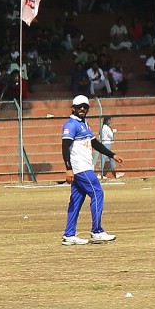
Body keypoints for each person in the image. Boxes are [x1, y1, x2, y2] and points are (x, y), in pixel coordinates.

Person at [61, 95, 120, 245]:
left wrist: (112, 155)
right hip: (81, 168)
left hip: (83, 168)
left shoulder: (85, 124)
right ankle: (97, 231)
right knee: (97, 192)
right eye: (79, 106)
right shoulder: (71, 124)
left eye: (85, 107)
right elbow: (65, 147)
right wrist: (68, 169)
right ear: (73, 108)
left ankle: (69, 234)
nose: (82, 109)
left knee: (76, 200)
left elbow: (95, 143)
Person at [97, 114, 118, 179]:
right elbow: (111, 136)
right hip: (107, 143)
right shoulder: (107, 128)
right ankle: (100, 174)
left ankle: (116, 174)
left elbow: (99, 136)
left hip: (104, 143)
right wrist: (112, 130)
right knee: (104, 158)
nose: (110, 122)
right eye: (110, 120)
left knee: (111, 158)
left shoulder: (102, 127)